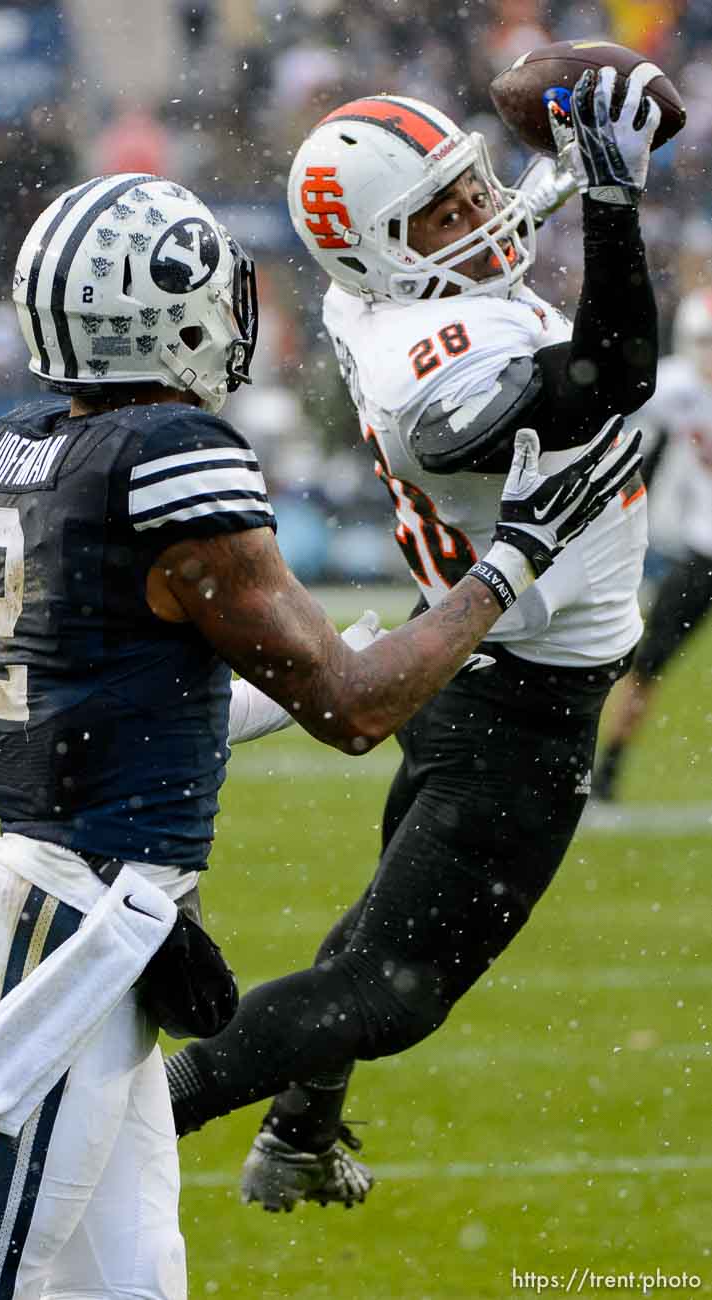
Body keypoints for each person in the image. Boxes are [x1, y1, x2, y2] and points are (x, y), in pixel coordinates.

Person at [0, 176, 636, 1300]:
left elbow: (121, 705)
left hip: (71, 915)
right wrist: (512, 562)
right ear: (167, 311)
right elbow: (355, 708)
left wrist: (329, 661)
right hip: (61, 931)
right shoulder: (166, 454)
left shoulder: (22, 447)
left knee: (129, 1288)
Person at [163, 70, 663, 1212]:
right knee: (393, 990)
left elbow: (477, 253)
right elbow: (610, 372)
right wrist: (615, 202)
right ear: (383, 254)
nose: (480, 211)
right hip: (519, 704)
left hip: (467, 667)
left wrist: (555, 165)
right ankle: (143, 1109)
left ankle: (298, 1134)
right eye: (443, 210)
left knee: (378, 932)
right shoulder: (428, 376)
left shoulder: (379, 293)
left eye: (470, 184)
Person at [592, 287, 712, 802]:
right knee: (644, 666)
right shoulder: (678, 387)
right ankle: (607, 775)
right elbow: (645, 453)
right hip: (704, 550)